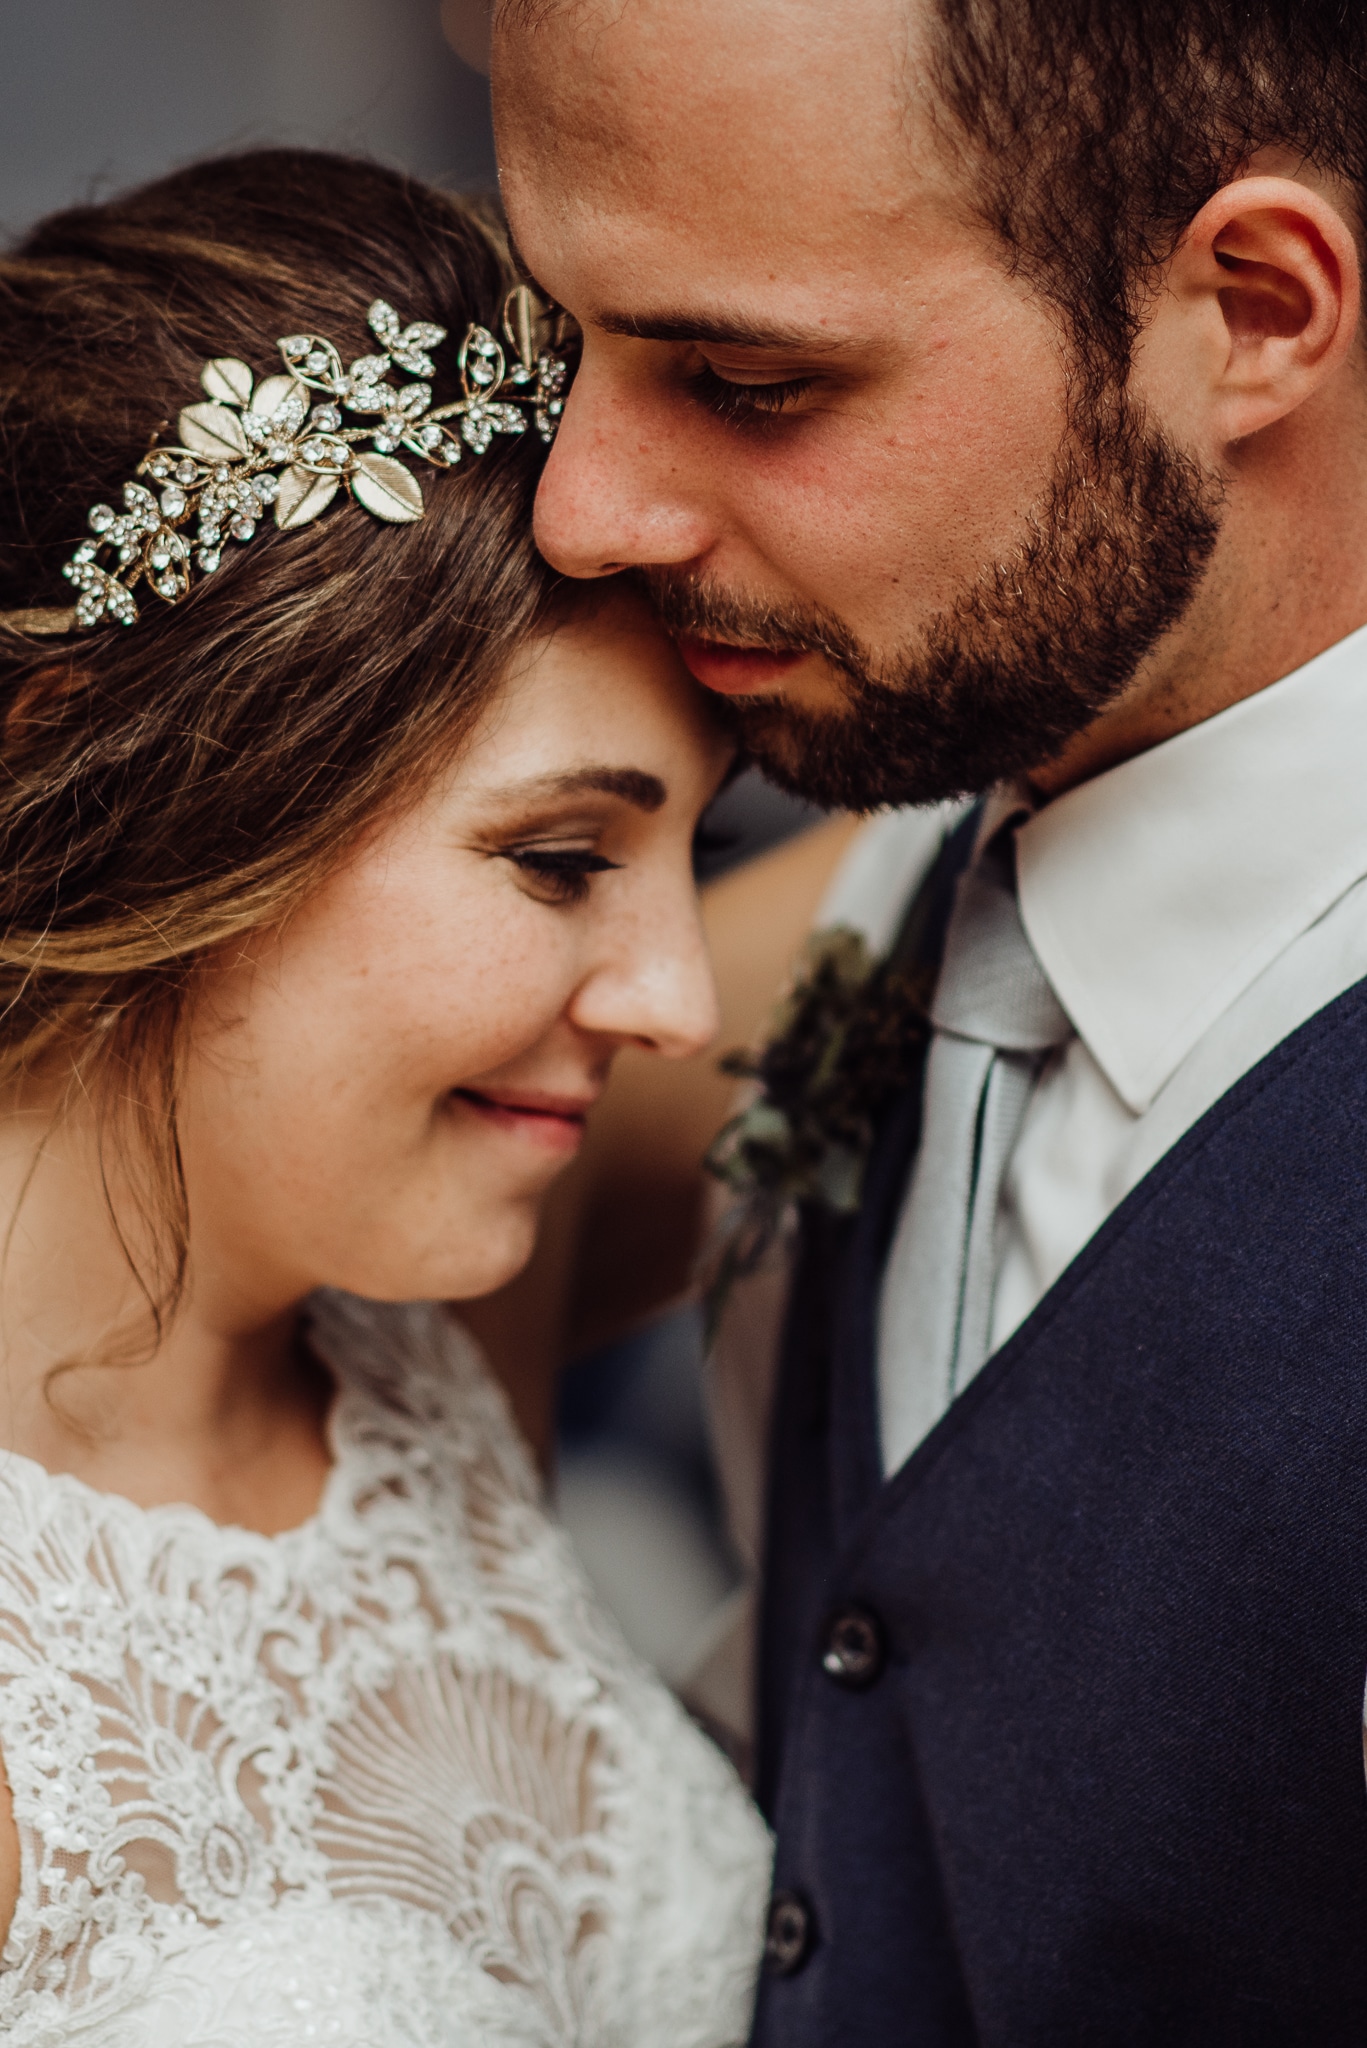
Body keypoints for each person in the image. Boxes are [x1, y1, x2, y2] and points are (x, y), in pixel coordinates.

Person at [490, 0, 1367, 2038]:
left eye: (743, 378)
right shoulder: (900, 865)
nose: (583, 505)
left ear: (1251, 307)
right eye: (572, 345)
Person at [0, 148, 772, 2046]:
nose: (676, 996)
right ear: (136, 790)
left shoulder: (430, 1322)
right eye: (563, 859)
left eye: (695, 856)